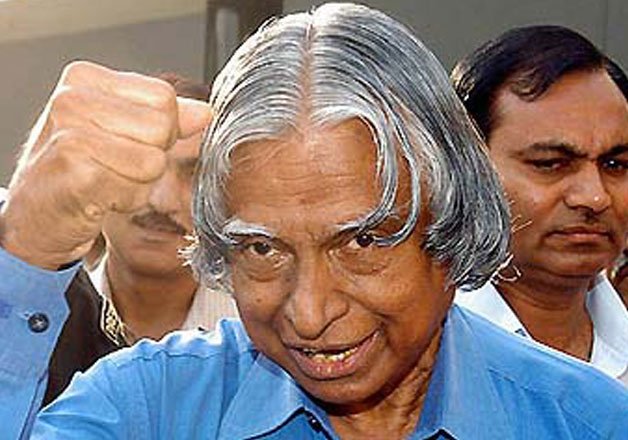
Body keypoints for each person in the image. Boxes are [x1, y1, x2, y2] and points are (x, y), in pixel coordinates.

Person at [0, 4, 626, 439]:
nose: (309, 312)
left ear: (451, 220)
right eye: (262, 249)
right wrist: (25, 251)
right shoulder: (147, 408)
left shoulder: (586, 421)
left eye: (363, 240)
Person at [39, 73, 239, 406]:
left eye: (193, 173)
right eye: (140, 167)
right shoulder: (38, 326)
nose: (161, 201)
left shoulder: (264, 340)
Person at [452, 25, 628, 385]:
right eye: (550, 164)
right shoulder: (410, 354)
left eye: (615, 165)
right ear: (466, 168)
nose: (594, 197)